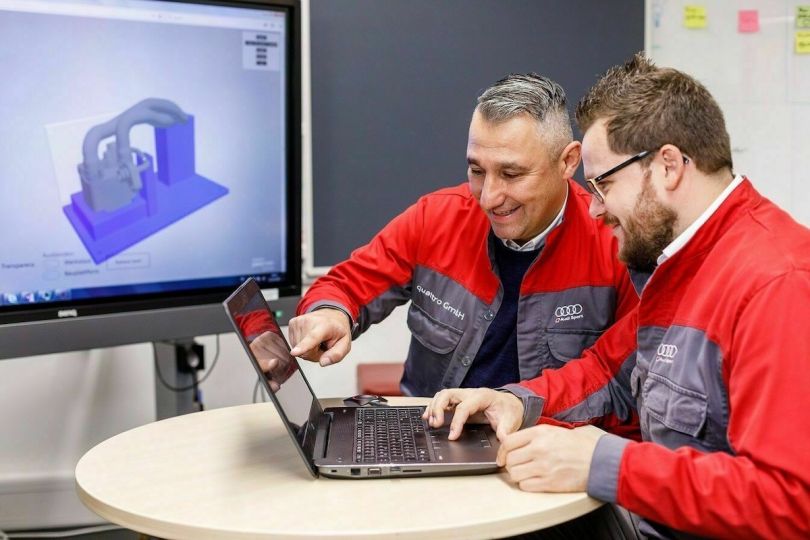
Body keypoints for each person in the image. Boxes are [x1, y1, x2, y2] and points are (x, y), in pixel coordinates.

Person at [425, 54, 810, 539]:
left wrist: (607, 463)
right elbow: (608, 371)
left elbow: (790, 501)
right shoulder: (681, 264)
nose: (597, 209)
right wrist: (516, 402)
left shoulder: (777, 284)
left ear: (668, 166)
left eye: (603, 184)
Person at [289, 74, 639, 404]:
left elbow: (619, 382)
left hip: (545, 448)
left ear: (568, 162)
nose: (488, 197)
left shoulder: (616, 244)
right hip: (430, 440)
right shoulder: (435, 219)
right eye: (477, 171)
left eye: (511, 173)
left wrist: (520, 405)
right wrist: (330, 314)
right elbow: (346, 285)